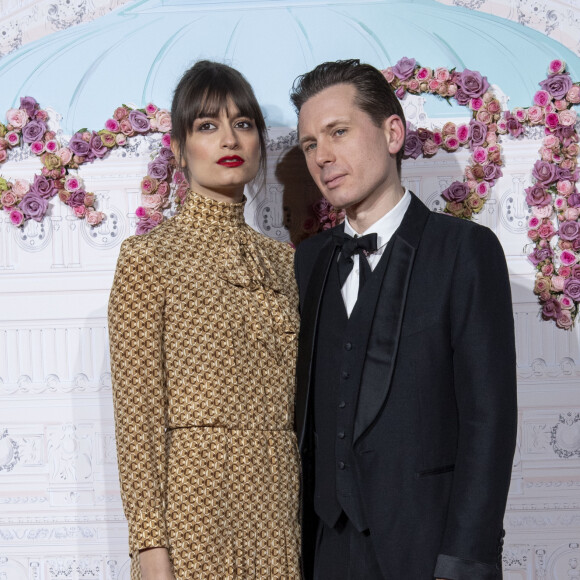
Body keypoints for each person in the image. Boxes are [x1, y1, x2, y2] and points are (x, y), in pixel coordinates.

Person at [291, 59, 517, 580]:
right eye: (309, 145)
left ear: (393, 132)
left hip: (429, 549)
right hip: (326, 551)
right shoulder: (308, 261)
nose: (323, 157)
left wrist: (465, 561)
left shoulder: (465, 250)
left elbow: (490, 421)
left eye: (338, 132)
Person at [108, 60, 301, 580]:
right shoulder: (148, 259)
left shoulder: (287, 263)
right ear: (178, 149)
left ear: (260, 140)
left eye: (242, 123)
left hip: (279, 500)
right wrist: (149, 547)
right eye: (207, 125)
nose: (229, 138)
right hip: (193, 505)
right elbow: (138, 415)